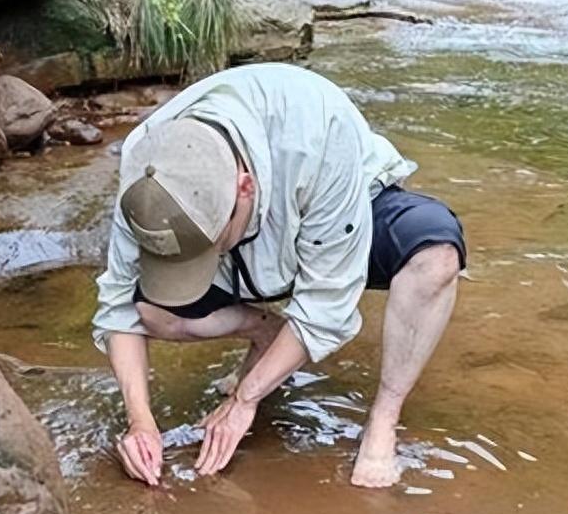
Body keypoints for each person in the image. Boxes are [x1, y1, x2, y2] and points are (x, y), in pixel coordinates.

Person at [91, 63, 465, 488]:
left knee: (435, 256)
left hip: (341, 209)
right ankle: (265, 332)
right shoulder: (148, 168)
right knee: (152, 311)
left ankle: (385, 415)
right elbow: (119, 306)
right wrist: (140, 421)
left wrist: (245, 398)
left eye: (207, 248)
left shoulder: (317, 132)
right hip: (247, 251)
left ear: (244, 187)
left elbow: (326, 304)